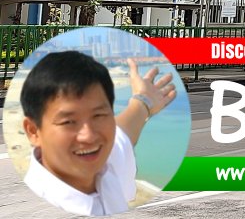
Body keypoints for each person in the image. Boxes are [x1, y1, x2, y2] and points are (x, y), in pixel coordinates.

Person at [20, 51, 177, 216]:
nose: (88, 136)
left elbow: (123, 133)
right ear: (33, 131)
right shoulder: (42, 206)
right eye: (68, 122)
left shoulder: (106, 162)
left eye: (99, 115)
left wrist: (144, 101)